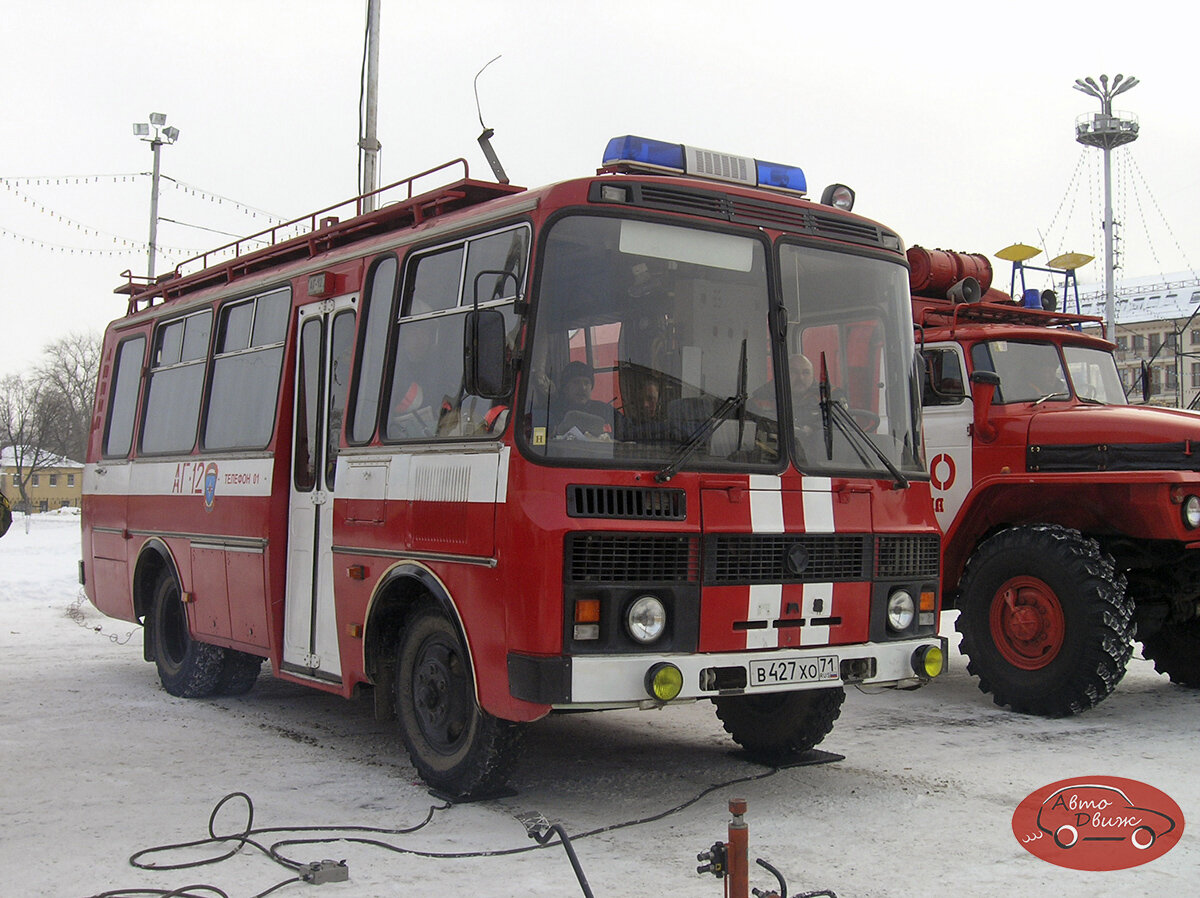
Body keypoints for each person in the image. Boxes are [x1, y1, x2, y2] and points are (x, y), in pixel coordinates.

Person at [550, 361, 613, 438]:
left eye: (586, 383)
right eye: (576, 382)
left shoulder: (604, 410)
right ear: (565, 388)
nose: (583, 388)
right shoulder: (553, 412)